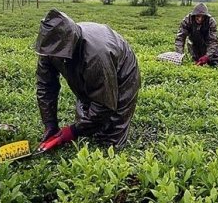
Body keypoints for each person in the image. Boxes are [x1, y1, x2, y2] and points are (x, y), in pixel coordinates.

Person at [34, 9, 140, 152]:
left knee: (110, 138)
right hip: (92, 66)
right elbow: (45, 87)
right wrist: (50, 124)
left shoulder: (96, 55)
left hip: (123, 71)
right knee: (88, 118)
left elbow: (105, 105)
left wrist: (72, 131)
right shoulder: (49, 46)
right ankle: (89, 124)